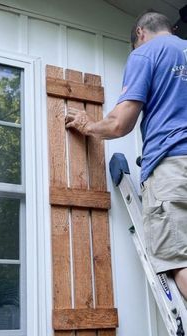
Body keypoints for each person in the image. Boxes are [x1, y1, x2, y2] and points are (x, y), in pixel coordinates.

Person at [65, 11, 187, 299]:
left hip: (173, 166)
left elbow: (121, 123)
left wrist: (88, 125)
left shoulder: (146, 54)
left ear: (140, 33)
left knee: (179, 259)